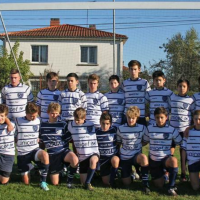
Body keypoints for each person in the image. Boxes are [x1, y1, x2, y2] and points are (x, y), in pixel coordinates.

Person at [143, 107, 182, 196]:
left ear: (166, 117)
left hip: (165, 159)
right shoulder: (149, 129)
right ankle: (163, 175)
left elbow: (180, 142)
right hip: (154, 161)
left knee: (174, 160)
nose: (159, 120)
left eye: (162, 117)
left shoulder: (172, 130)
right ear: (154, 117)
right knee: (159, 185)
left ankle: (171, 187)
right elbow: (144, 141)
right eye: (157, 117)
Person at [40, 103, 78, 188]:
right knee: (55, 183)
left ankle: (69, 182)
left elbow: (69, 138)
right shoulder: (42, 126)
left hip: (63, 151)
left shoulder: (63, 124)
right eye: (52, 113)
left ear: (59, 113)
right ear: (48, 112)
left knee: (75, 160)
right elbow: (40, 140)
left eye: (56, 113)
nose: (54, 115)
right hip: (52, 154)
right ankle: (61, 170)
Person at [15, 102, 50, 191]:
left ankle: (43, 181)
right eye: (31, 116)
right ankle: (33, 168)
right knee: (26, 182)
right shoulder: (18, 120)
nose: (34, 118)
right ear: (26, 113)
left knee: (45, 155)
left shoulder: (38, 120)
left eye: (35, 115)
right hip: (22, 153)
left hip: (34, 150)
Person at [117, 106, 150, 194]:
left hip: (136, 156)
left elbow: (146, 141)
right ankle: (132, 175)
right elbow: (119, 142)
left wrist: (138, 144)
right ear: (126, 117)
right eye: (129, 118)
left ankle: (145, 185)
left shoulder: (142, 128)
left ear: (137, 118)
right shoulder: (120, 128)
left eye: (133, 118)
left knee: (143, 157)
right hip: (125, 158)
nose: (130, 120)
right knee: (126, 183)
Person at [168, 79, 194, 181]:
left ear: (188, 88)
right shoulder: (172, 98)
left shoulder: (191, 100)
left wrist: (190, 127)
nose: (182, 88)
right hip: (173, 129)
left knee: (183, 151)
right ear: (177, 87)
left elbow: (192, 114)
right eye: (180, 86)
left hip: (185, 130)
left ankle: (183, 172)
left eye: (184, 86)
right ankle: (168, 171)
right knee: (170, 150)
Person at [68, 107, 99, 191]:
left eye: (79, 120)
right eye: (75, 119)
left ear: (84, 118)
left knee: (93, 161)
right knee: (82, 182)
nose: (77, 121)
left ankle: (88, 183)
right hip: (82, 157)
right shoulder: (71, 125)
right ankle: (92, 175)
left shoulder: (91, 124)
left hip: (93, 153)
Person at [121, 60, 151, 126]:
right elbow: (122, 99)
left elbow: (149, 98)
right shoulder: (124, 83)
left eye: (135, 69)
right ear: (129, 70)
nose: (133, 71)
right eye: (131, 69)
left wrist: (146, 110)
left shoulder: (144, 83)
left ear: (139, 70)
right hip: (127, 117)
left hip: (141, 115)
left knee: (142, 135)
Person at [96, 113, 119, 187]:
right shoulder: (96, 132)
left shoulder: (115, 130)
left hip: (112, 156)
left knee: (115, 160)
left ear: (111, 123)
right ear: (100, 122)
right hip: (103, 160)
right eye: (103, 123)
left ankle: (113, 182)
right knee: (105, 182)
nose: (105, 126)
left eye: (107, 123)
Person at [182, 110, 200, 190]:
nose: (198, 121)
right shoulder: (188, 132)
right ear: (193, 119)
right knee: (195, 188)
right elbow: (184, 149)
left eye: (199, 119)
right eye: (196, 119)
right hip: (193, 162)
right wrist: (183, 165)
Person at [0, 104, 15, 184]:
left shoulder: (11, 125)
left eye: (2, 116)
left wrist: (8, 123)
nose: (0, 118)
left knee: (3, 181)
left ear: (6, 116)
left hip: (7, 154)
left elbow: (10, 126)